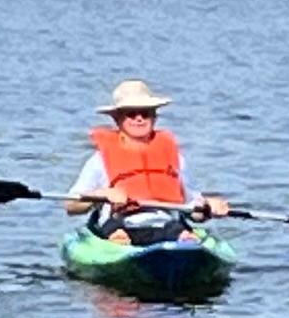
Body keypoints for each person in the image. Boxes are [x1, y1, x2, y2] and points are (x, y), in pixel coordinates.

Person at [66, 78, 237, 234]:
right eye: (131, 114)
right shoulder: (99, 160)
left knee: (179, 230)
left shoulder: (175, 158)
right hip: (121, 223)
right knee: (118, 231)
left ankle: (182, 244)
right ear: (118, 120)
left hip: (166, 224)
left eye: (145, 113)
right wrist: (102, 194)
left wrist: (209, 208)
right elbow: (71, 206)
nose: (139, 119)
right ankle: (120, 243)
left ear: (154, 117)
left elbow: (193, 209)